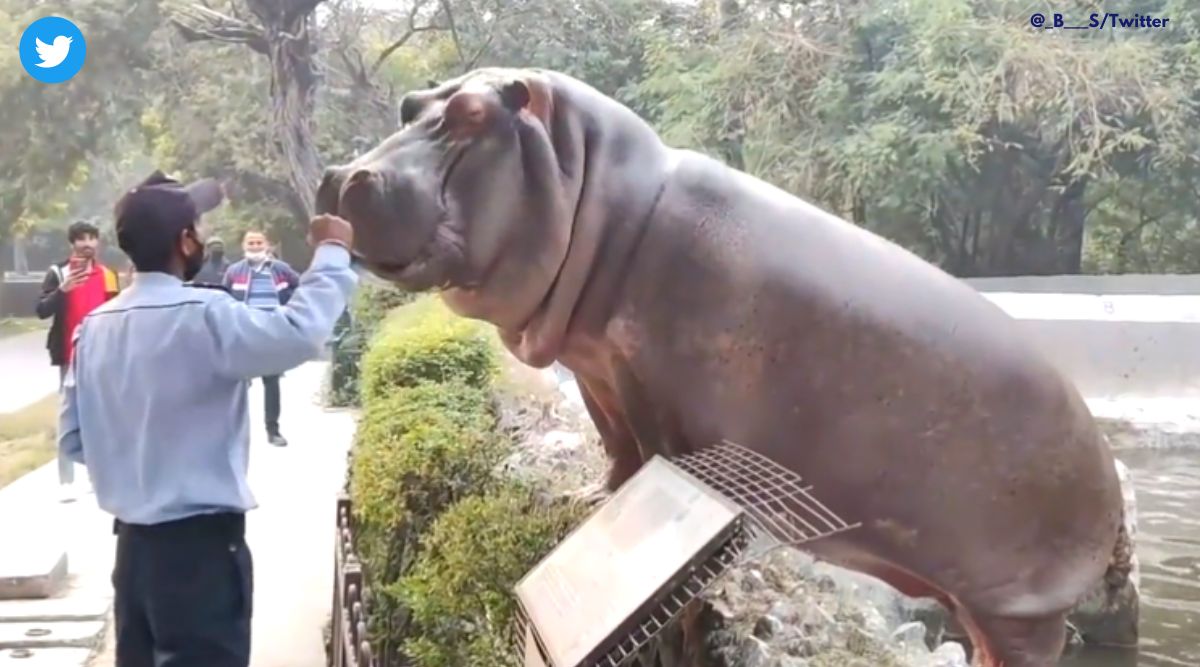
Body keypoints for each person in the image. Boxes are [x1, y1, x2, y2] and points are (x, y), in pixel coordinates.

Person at [57, 170, 357, 666]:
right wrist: (332, 253)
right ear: (185, 241)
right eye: (195, 226)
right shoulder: (206, 315)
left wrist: (139, 466)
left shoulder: (93, 330)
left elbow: (72, 440)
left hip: (132, 554)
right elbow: (299, 333)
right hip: (200, 556)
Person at [35, 220, 121, 502]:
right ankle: (66, 481)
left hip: (101, 354)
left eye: (91, 238)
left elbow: (117, 312)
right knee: (68, 416)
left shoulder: (108, 274)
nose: (87, 244)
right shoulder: (57, 272)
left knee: (101, 415)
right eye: (81, 239)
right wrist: (64, 290)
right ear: (72, 244)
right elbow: (41, 310)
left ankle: (98, 476)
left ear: (98, 243)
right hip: (68, 356)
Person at [222, 231, 302, 447]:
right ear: (243, 245)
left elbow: (300, 287)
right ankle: (233, 433)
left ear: (267, 245)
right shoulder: (234, 271)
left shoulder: (281, 270)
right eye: (251, 242)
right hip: (245, 333)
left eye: (259, 242)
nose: (255, 246)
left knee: (272, 383)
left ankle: (273, 430)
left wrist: (291, 311)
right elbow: (223, 300)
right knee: (238, 385)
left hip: (272, 334)